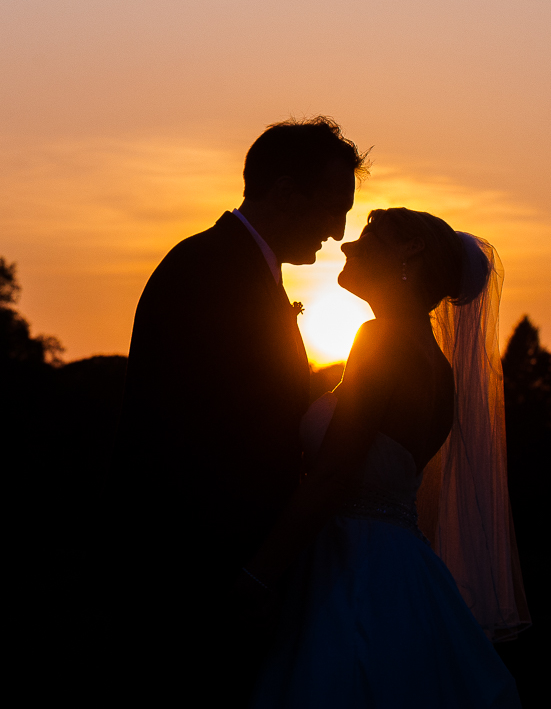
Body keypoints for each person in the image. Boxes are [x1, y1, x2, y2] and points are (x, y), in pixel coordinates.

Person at [118, 117, 366, 706]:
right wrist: (250, 576)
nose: (339, 231)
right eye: (334, 208)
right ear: (284, 193)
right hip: (195, 578)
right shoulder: (210, 273)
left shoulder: (238, 269)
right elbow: (201, 442)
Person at [243, 208, 528, 708]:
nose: (349, 246)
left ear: (411, 251)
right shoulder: (435, 366)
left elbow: (333, 474)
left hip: (350, 567)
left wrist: (258, 575)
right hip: (402, 567)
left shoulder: (383, 340)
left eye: (370, 234)